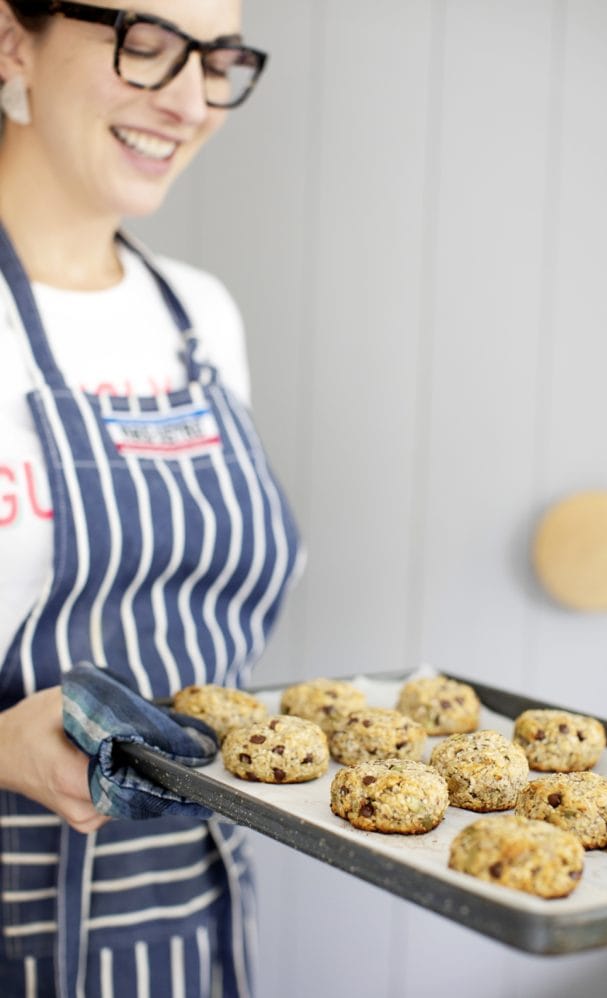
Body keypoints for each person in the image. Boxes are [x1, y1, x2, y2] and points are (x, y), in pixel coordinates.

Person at [0, 1, 300, 995]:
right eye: (146, 42)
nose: (186, 99)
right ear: (11, 40)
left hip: (190, 919)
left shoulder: (200, 315)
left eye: (216, 59)